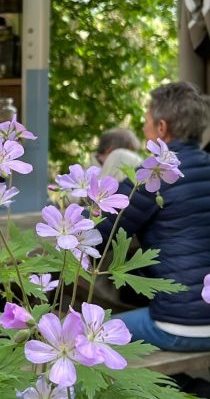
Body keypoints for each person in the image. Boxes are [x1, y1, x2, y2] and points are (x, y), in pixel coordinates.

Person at [101, 82, 210, 351]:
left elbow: (96, 233)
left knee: (85, 339)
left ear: (162, 128)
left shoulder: (153, 174)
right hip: (193, 315)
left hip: (182, 324)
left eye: (147, 121)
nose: (143, 129)